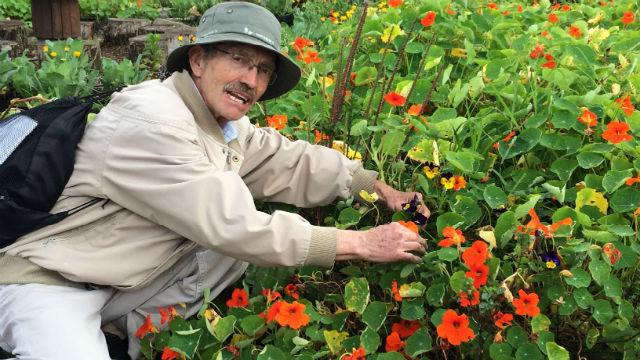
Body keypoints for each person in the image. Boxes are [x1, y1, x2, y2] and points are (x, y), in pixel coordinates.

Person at [0, 1, 430, 359]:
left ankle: (119, 335)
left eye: (262, 69)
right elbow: (233, 226)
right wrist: (363, 243)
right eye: (238, 59)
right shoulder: (153, 121)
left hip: (119, 277)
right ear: (198, 59)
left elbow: (284, 158)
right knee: (240, 238)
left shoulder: (218, 120)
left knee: (231, 254)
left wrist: (375, 187)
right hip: (49, 281)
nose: (251, 80)